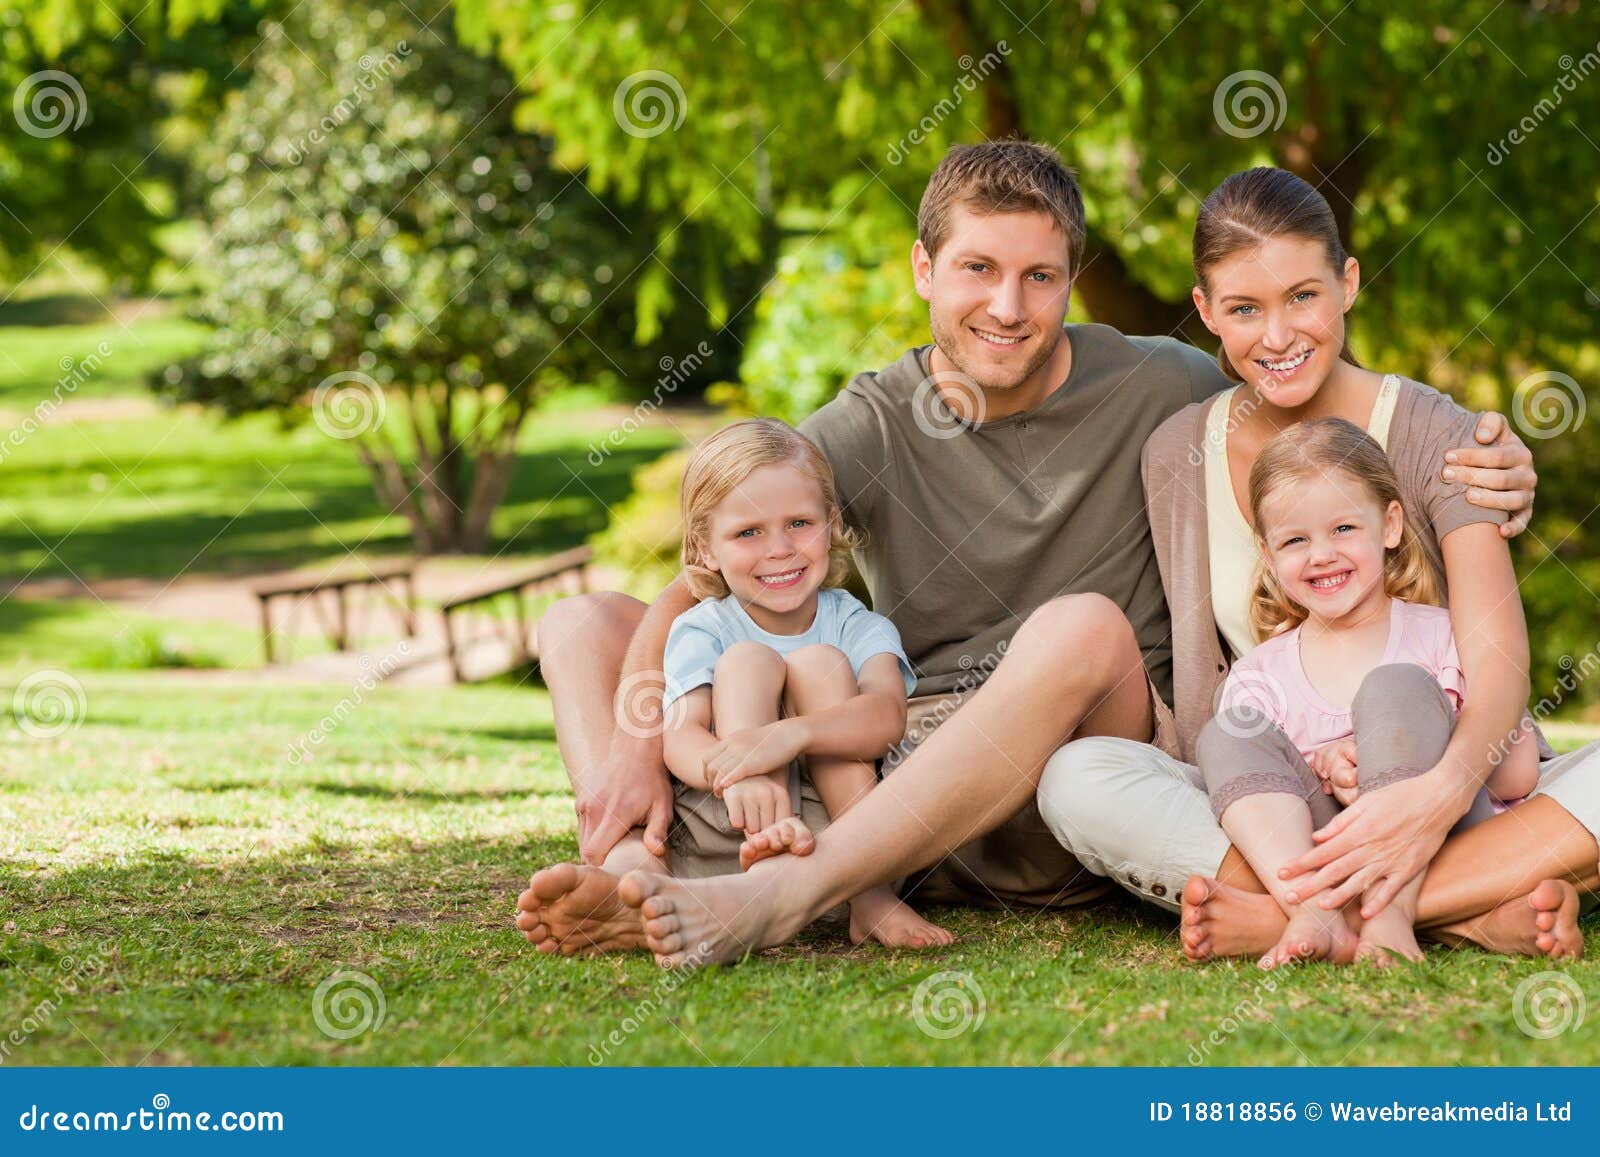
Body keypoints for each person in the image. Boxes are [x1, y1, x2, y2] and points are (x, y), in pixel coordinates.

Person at [516, 145, 1536, 965]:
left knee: (1082, 623)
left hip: (1067, 753)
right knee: (582, 623)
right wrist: (637, 737)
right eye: (976, 270)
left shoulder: (1158, 385)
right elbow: (707, 573)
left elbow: (1309, 400)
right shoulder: (871, 421)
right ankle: (621, 866)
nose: (1006, 306)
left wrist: (1484, 459)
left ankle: (779, 898)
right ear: (923, 267)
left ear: (1069, 283)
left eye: (1038, 277)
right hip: (895, 753)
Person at [1040, 167, 1595, 964]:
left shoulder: (1441, 433)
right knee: (1079, 776)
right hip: (1284, 802)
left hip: (1450, 776)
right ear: (1205, 312)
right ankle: (1467, 908)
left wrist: (1433, 800)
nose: (1277, 335)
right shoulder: (1176, 454)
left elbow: (1499, 664)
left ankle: (1308, 914)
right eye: (1243, 309)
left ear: (1348, 283)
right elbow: (1211, 703)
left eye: (1303, 295)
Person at [1197, 417, 1544, 969]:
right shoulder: (1259, 677)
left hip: (1447, 840)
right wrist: (1323, 766)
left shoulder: (1442, 636)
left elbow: (1517, 775)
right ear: (1267, 554)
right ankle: (1316, 911)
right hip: (1321, 855)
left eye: (1342, 529)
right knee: (1225, 734)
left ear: (1390, 526)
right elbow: (1257, 795)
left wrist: (1423, 736)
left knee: (1397, 687)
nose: (1321, 555)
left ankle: (1391, 915)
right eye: (1295, 540)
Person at [658, 418, 951, 949]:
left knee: (819, 663)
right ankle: (765, 871)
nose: (779, 549)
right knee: (748, 660)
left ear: (830, 522)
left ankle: (870, 897)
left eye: (798, 523)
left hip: (845, 841)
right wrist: (737, 769)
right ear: (705, 547)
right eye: (748, 532)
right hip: (732, 830)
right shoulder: (703, 626)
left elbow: (886, 717)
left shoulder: (855, 622)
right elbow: (681, 735)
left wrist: (790, 736)